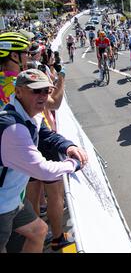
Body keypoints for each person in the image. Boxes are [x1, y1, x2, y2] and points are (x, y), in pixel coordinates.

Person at [0, 69, 88, 253]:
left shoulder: (28, 115)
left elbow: (47, 136)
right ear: (18, 92)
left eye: (46, 91)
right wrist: (74, 164)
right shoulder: (13, 127)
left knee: (39, 230)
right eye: (35, 91)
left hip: (12, 200)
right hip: (2, 206)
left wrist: (69, 147)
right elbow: (43, 170)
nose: (42, 96)